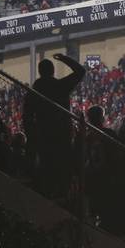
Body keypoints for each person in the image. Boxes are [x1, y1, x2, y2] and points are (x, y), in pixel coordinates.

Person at [25, 52, 86, 190]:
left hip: (44, 135)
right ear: (53, 71)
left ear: (39, 72)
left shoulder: (33, 92)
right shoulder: (61, 86)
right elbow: (81, 71)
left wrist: (32, 137)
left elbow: (27, 116)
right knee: (63, 169)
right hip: (63, 134)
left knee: (47, 168)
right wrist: (64, 58)